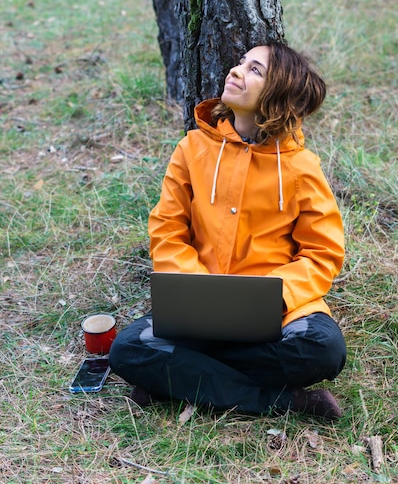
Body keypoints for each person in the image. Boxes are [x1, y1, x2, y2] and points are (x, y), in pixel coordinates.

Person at [109, 42, 346, 420]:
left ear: (279, 96)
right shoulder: (191, 149)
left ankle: (178, 376)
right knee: (127, 349)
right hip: (195, 310)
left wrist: (275, 298)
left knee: (324, 349)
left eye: (255, 70)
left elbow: (323, 253)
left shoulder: (302, 168)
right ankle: (286, 402)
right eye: (240, 63)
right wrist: (199, 293)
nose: (236, 71)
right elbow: (167, 230)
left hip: (277, 317)